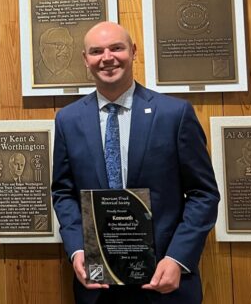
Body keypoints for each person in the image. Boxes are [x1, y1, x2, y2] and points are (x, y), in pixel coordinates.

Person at [51, 21, 219, 304]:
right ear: (85, 59)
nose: (107, 58)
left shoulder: (174, 115)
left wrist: (178, 258)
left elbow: (204, 194)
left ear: (134, 51)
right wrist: (77, 250)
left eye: (116, 48)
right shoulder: (68, 120)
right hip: (97, 284)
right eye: (96, 51)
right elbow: (63, 193)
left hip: (163, 282)